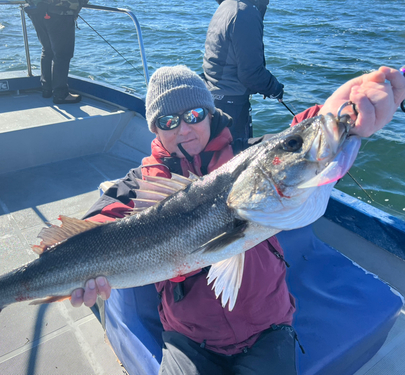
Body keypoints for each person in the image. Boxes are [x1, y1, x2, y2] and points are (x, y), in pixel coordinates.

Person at [70, 65, 405, 374]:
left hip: (267, 328)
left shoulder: (246, 157)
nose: (184, 129)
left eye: (194, 114)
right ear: (155, 129)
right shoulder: (141, 185)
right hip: (188, 337)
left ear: (210, 113)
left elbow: (288, 149)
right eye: (169, 121)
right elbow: (102, 220)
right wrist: (78, 265)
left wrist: (336, 114)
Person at [203, 0, 284, 150]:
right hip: (232, 108)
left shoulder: (227, 6)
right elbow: (251, 74)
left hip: (216, 100)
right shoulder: (245, 12)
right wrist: (275, 89)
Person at [24, 0, 88, 104]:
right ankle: (60, 94)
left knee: (47, 49)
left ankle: (46, 88)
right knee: (62, 54)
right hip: (59, 12)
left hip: (37, 11)